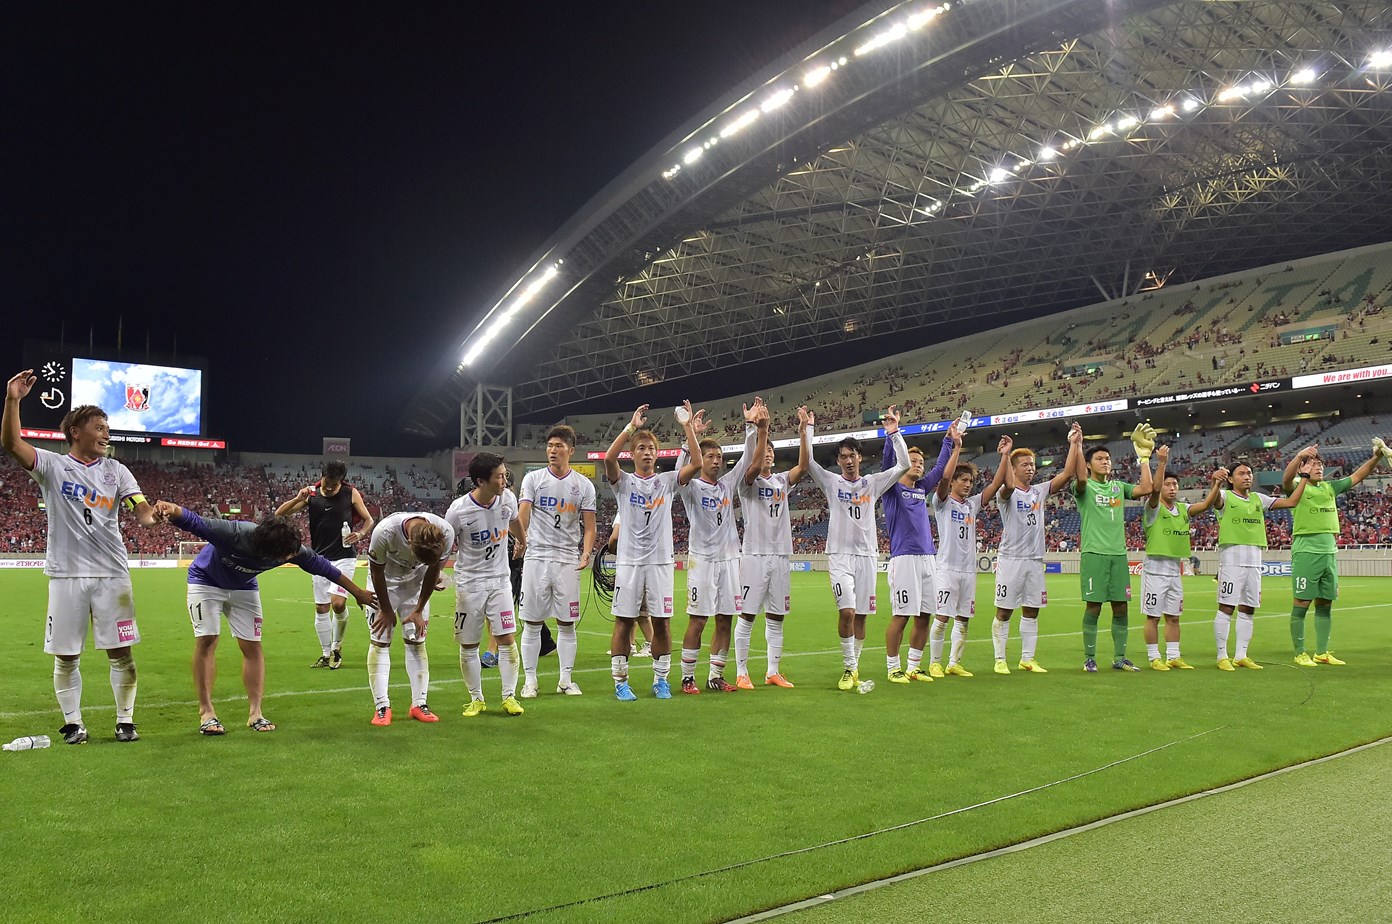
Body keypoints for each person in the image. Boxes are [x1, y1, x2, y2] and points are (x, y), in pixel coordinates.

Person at [2, 370, 162, 744]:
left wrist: (152, 516)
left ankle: (125, 721)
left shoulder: (117, 471)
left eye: (108, 428)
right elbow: (11, 443)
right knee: (66, 655)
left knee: (121, 652)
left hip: (112, 574)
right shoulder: (53, 466)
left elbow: (139, 509)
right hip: (66, 574)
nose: (106, 434)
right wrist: (13, 399)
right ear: (76, 431)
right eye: (99, 427)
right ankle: (73, 724)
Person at [156, 502, 376, 734]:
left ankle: (256, 713)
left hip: (244, 586)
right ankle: (207, 712)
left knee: (253, 645)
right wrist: (171, 510)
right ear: (267, 550)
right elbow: (194, 521)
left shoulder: (292, 548)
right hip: (206, 581)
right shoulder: (235, 533)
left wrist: (358, 592)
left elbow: (325, 568)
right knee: (207, 640)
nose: (291, 557)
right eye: (286, 556)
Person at [802, 406, 909, 689]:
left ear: (860, 457)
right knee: (847, 612)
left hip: (867, 556)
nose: (848, 460)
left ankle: (855, 666)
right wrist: (808, 429)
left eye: (852, 455)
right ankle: (849, 668)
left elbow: (904, 465)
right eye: (843, 456)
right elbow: (808, 461)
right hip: (839, 556)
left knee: (861, 616)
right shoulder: (831, 481)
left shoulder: (872, 483)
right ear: (838, 460)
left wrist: (894, 433)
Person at [675, 399, 763, 693]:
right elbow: (679, 469)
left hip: (729, 561)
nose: (716, 461)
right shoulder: (691, 487)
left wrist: (750, 427)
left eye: (719, 456)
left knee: (725, 620)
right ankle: (687, 677)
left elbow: (747, 458)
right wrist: (690, 434)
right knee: (698, 620)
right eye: (710, 456)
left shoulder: (727, 484)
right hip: (702, 560)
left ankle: (715, 676)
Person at [1282, 441, 1386, 666]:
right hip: (1306, 551)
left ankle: (1321, 652)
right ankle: (1300, 653)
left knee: (1325, 604)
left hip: (1329, 551)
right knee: (1301, 603)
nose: (1318, 467)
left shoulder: (1330, 487)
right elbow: (1286, 479)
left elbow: (1358, 476)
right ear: (1303, 468)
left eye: (1320, 464)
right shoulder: (1299, 486)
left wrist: (1377, 457)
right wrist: (1299, 456)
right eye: (1313, 464)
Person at [603, 404, 681, 700]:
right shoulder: (624, 483)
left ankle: (661, 680)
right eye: (641, 448)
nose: (647, 452)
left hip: (660, 562)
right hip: (630, 563)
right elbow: (609, 458)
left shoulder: (667, 481)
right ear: (632, 454)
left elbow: (696, 464)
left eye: (651, 449)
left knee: (662, 623)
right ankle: (620, 682)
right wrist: (631, 428)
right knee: (624, 622)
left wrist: (688, 428)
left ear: (657, 454)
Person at [990, 423, 1081, 674]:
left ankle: (1027, 658)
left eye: (1032, 464)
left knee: (1032, 610)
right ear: (1013, 469)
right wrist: (1005, 456)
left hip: (1034, 559)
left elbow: (1067, 473)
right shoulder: (1006, 492)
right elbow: (1008, 486)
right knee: (1004, 611)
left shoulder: (1039, 491)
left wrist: (1074, 444)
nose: (1030, 468)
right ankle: (1000, 659)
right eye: (1025, 465)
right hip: (1011, 559)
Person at [517, 426, 596, 698]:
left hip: (567, 558)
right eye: (550, 445)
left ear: (571, 450)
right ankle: (530, 681)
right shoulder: (533, 479)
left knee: (567, 623)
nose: (553, 450)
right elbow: (523, 515)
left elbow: (589, 526)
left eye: (559, 446)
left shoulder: (584, 485)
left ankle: (565, 680)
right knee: (532, 622)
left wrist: (586, 553)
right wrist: (520, 540)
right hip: (537, 556)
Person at [447, 452, 527, 716]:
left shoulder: (508, 499)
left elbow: (514, 521)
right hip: (469, 584)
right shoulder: (458, 510)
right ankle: (476, 698)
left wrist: (522, 541)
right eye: (499, 477)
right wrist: (436, 574)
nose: (505, 481)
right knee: (469, 644)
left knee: (507, 638)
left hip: (500, 581)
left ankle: (509, 696)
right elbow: (445, 544)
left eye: (505, 475)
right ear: (481, 481)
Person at [735, 407, 810, 688]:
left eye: (770, 450)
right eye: (762, 449)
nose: (767, 453)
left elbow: (803, 467)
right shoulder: (747, 482)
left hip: (780, 555)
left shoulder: (781, 481)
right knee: (747, 616)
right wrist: (762, 430)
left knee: (777, 617)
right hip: (754, 555)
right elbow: (753, 467)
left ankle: (772, 671)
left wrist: (804, 432)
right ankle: (742, 672)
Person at [274, 461, 374, 670]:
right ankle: (326, 653)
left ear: (341, 481)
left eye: (333, 484)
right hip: (319, 559)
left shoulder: (350, 493)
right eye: (326, 482)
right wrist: (297, 498)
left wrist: (361, 534)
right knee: (321, 608)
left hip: (344, 557)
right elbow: (279, 514)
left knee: (338, 604)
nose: (328, 487)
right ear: (322, 477)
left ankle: (337, 648)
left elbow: (368, 520)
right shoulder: (311, 494)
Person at [879, 423, 957, 684]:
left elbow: (940, 469)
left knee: (924, 615)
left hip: (928, 558)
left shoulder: (922, 488)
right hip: (904, 558)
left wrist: (948, 440)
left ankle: (914, 666)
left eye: (921, 462)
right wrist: (891, 434)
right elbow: (887, 463)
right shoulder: (891, 487)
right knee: (901, 615)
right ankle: (893, 667)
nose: (918, 465)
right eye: (912, 461)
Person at [1074, 425, 1155, 672]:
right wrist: (1078, 445)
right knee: (1094, 606)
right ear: (1089, 464)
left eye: (1107, 458)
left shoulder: (1118, 487)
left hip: (1118, 555)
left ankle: (1120, 658)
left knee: (1121, 606)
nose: (1105, 462)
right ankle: (1089, 658)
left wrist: (1144, 459)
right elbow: (1079, 478)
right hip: (1094, 554)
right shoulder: (1084, 488)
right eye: (1099, 459)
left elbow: (1147, 489)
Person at [1211, 461, 1305, 670]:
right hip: (1232, 560)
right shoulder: (1225, 497)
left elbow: (1291, 502)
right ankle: (1222, 656)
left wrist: (1304, 478)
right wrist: (1215, 482)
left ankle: (1241, 655)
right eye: (1241, 473)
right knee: (1226, 607)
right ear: (1230, 478)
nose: (1247, 476)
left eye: (1249, 473)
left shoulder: (1258, 499)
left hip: (1254, 560)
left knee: (1248, 608)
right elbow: (1214, 498)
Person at [364, 511, 454, 725]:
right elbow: (376, 572)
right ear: (410, 544)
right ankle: (382, 707)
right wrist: (386, 610)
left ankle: (419, 704)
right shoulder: (384, 532)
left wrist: (419, 609)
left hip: (416, 585)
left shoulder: (446, 532)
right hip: (385, 583)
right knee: (380, 641)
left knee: (417, 641)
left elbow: (433, 571)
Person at [1139, 447, 1221, 671]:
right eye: (1168, 484)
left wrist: (1216, 484)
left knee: (1174, 617)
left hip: (1175, 570)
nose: (1172, 488)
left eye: (1175, 484)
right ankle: (1154, 657)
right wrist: (1161, 463)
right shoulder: (1153, 508)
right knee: (1153, 617)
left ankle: (1173, 656)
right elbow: (1154, 490)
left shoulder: (1183, 509)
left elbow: (1205, 505)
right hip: (1155, 570)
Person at [929, 443, 1005, 677]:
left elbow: (995, 485)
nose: (968, 484)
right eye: (963, 480)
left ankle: (954, 663)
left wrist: (1004, 456)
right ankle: (934, 662)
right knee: (942, 617)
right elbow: (943, 479)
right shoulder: (942, 502)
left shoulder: (972, 505)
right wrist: (956, 450)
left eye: (970, 481)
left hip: (968, 571)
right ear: (953, 482)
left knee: (963, 619)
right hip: (947, 569)